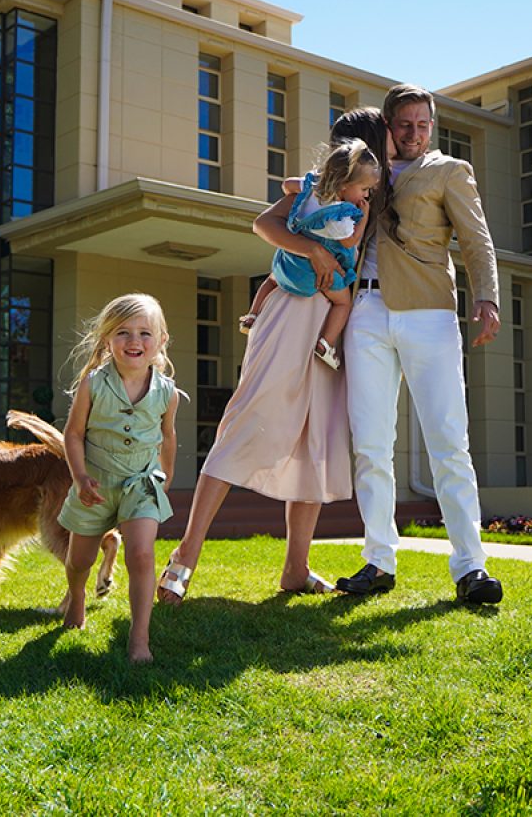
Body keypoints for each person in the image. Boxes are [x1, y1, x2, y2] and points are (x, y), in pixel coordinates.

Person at [254, 84, 504, 605]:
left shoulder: (448, 172)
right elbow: (305, 205)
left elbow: (477, 240)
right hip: (364, 313)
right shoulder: (359, 171)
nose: (413, 134)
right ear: (387, 128)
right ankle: (378, 560)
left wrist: (487, 299)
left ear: (431, 128)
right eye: (404, 125)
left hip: (429, 315)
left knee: (448, 441)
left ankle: (471, 567)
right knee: (370, 444)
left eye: (422, 125)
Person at [157, 109, 393, 604]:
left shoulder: (377, 196)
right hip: (291, 311)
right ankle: (184, 558)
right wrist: (315, 252)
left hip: (334, 325)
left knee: (317, 436)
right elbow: (265, 225)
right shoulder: (311, 193)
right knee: (246, 420)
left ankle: (296, 567)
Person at [60, 293, 182, 663]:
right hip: (94, 483)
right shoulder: (92, 385)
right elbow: (73, 434)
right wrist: (80, 478)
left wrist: (166, 476)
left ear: (161, 341)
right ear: (107, 340)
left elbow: (169, 435)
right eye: (123, 333)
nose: (134, 341)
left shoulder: (167, 393)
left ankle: (139, 639)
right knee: (79, 560)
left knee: (143, 556)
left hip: (141, 484)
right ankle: (77, 596)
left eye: (145, 333)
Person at [240, 137, 380, 369]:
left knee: (270, 281)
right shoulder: (340, 215)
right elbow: (349, 242)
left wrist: (311, 184)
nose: (365, 196)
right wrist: (363, 221)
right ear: (344, 185)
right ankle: (326, 343)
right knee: (343, 303)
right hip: (316, 276)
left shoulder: (309, 193)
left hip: (288, 264)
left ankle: (253, 314)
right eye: (364, 189)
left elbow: (287, 184)